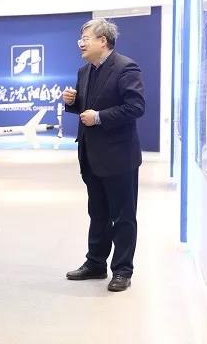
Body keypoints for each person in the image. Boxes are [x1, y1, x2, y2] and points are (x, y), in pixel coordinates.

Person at [62, 18, 145, 292]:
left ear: (103, 41)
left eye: (85, 39)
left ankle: (122, 270)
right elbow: (87, 108)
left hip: (119, 157)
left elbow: (135, 107)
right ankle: (95, 263)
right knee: (97, 213)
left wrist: (99, 117)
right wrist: (73, 103)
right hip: (91, 156)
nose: (81, 44)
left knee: (123, 216)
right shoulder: (84, 71)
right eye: (80, 39)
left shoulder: (126, 68)